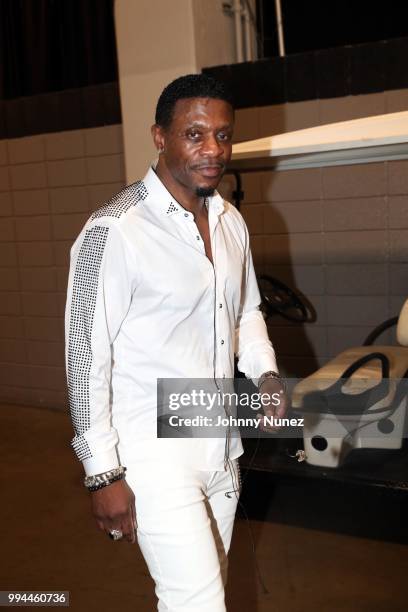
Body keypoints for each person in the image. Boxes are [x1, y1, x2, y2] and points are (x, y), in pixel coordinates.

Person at [64, 73, 287, 611]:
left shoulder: (231, 221)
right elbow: (84, 358)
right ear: (159, 137)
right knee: (197, 602)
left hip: (218, 438)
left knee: (211, 586)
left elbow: (247, 309)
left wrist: (266, 373)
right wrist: (102, 473)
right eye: (194, 134)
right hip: (152, 452)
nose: (213, 150)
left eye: (223, 135)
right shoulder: (114, 230)